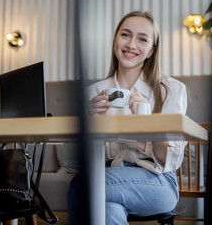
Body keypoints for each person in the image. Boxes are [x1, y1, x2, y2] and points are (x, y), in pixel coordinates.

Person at [67, 11, 187, 225]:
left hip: (157, 182)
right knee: (107, 212)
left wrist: (149, 120)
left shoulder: (171, 90)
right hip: (109, 174)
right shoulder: (92, 93)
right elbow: (83, 159)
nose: (131, 44)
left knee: (82, 187)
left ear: (151, 50)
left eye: (142, 39)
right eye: (125, 35)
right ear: (115, 41)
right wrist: (90, 123)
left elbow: (167, 160)